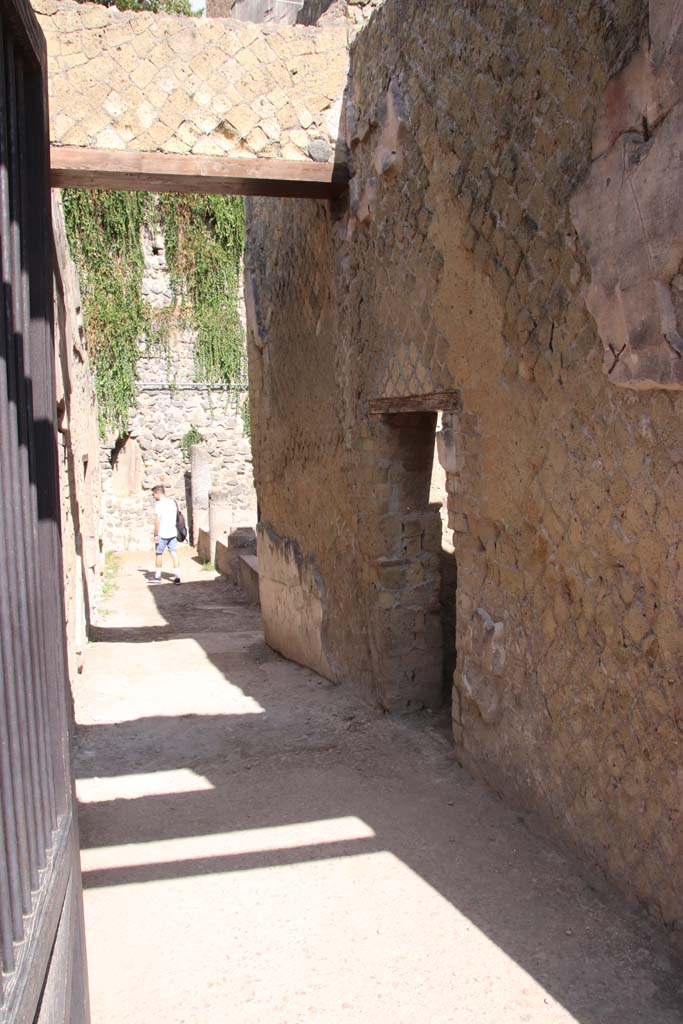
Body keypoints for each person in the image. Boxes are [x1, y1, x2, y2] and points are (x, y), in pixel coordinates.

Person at [152, 484, 180, 584]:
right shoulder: (173, 502)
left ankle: (158, 576)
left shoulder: (159, 505)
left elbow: (157, 521)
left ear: (157, 493)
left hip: (162, 533)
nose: (153, 497)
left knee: (159, 553)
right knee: (173, 553)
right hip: (172, 532)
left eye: (153, 494)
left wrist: (155, 534)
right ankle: (177, 576)